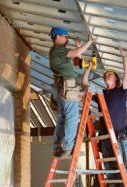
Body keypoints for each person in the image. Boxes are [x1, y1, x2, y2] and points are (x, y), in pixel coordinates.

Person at [82, 47, 127, 187]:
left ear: (116, 78)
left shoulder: (122, 92)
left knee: (122, 164)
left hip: (119, 134)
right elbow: (84, 85)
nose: (106, 75)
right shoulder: (102, 94)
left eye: (110, 74)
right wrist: (89, 68)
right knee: (109, 165)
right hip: (105, 136)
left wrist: (124, 56)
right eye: (105, 75)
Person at [49, 27, 95, 157]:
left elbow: (76, 61)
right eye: (65, 36)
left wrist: (79, 50)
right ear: (57, 37)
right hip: (66, 85)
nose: (67, 39)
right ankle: (69, 147)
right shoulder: (58, 49)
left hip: (60, 85)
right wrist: (89, 42)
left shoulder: (59, 52)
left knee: (62, 117)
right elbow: (75, 54)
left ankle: (59, 147)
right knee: (72, 116)